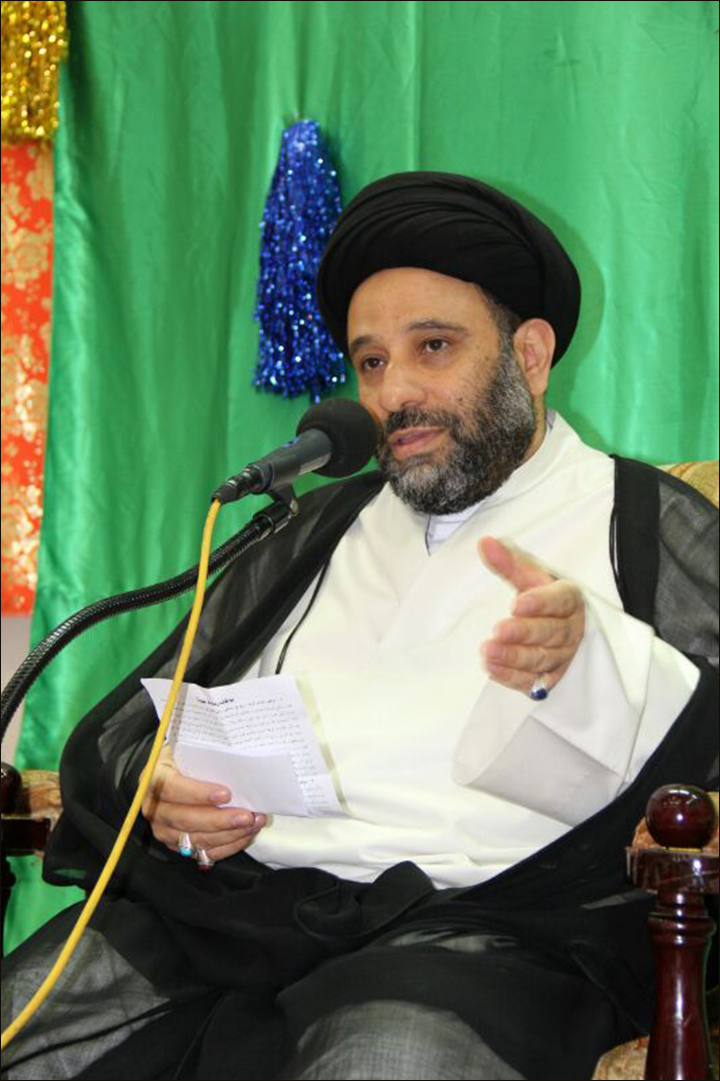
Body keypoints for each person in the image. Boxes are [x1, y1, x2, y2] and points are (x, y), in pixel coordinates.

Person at [2, 172, 717, 1081]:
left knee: (389, 1056)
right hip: (235, 917)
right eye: (371, 362)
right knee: (24, 1023)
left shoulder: (641, 520)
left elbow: (705, 759)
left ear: (530, 356)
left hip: (485, 931)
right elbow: (166, 721)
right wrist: (169, 794)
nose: (395, 393)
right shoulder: (319, 527)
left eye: (434, 347)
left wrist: (586, 663)